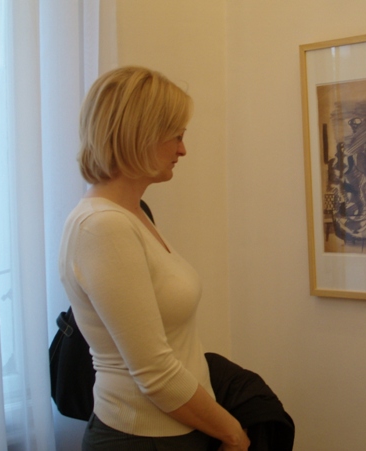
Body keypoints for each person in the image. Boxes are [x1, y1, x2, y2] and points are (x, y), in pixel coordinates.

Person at [59, 66, 250, 451]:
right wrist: (233, 433)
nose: (183, 150)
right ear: (141, 135)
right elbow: (155, 373)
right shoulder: (104, 227)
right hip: (142, 438)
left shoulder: (133, 215)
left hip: (173, 430)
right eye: (176, 136)